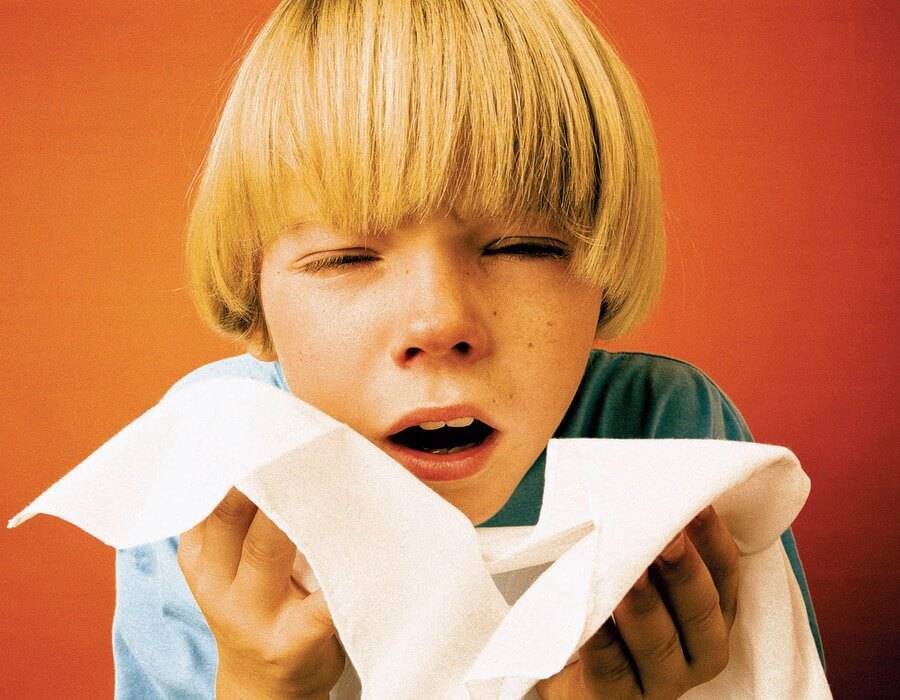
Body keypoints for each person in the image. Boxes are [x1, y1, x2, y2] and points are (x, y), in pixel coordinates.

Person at [113, 1, 823, 697]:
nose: (439, 321)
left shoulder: (662, 432)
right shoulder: (211, 466)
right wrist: (259, 685)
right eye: (345, 258)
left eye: (522, 247)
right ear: (257, 297)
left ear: (601, 280)